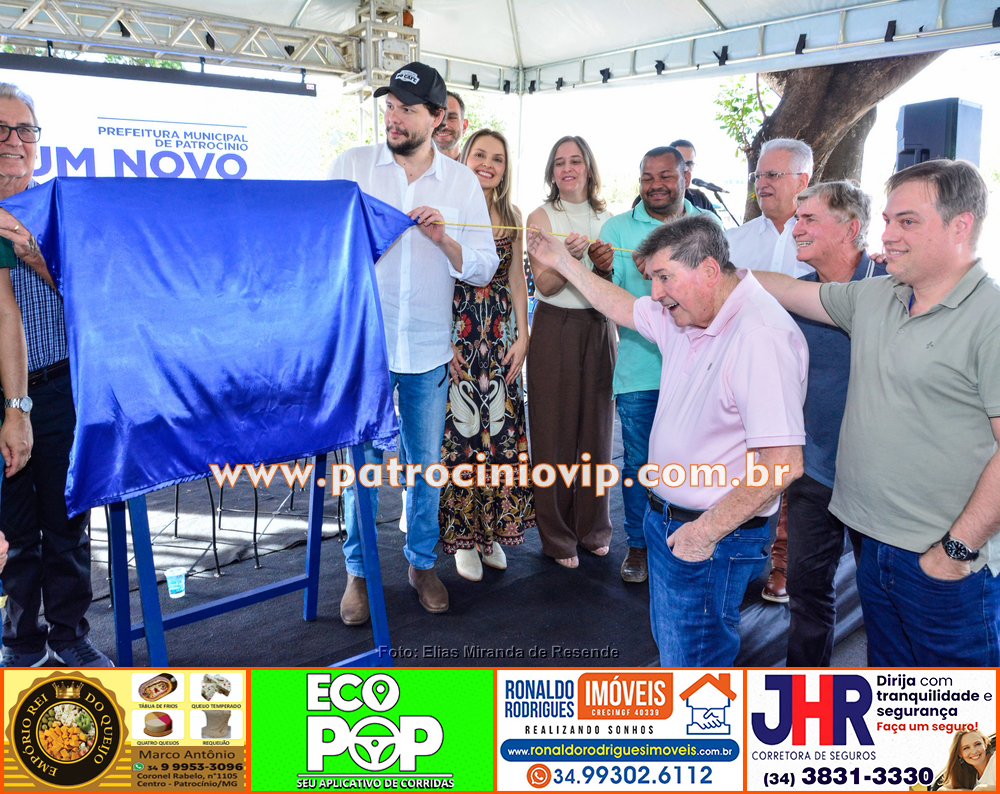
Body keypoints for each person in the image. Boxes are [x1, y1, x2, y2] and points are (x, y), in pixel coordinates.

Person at [527, 215, 806, 666]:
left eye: (663, 277)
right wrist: (562, 261)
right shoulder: (689, 312)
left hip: (711, 536)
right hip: (671, 522)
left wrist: (702, 535)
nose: (655, 293)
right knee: (677, 653)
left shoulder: (761, 336)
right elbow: (622, 306)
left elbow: (783, 464)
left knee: (694, 667)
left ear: (709, 271)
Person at [755, 159, 1000, 666]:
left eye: (907, 221)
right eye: (888, 220)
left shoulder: (991, 317)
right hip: (874, 543)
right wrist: (711, 268)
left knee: (959, 712)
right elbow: (788, 289)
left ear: (961, 226)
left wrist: (956, 551)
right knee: (893, 694)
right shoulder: (877, 296)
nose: (887, 235)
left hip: (944, 564)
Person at [328, 63, 498, 622]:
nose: (393, 118)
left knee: (425, 469)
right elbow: (323, 246)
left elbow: (483, 267)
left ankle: (421, 564)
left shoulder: (461, 182)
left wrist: (444, 239)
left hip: (427, 350)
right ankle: (358, 573)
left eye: (406, 109)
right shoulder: (351, 167)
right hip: (365, 350)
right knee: (361, 472)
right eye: (389, 107)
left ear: (438, 118)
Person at [0, 82, 111, 667]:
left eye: (25, 130)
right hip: (4, 402)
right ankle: (19, 644)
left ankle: (68, 636)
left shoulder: (62, 211)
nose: (13, 141)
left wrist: (36, 256)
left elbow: (96, 303)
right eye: (1, 129)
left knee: (68, 524)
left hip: (62, 389)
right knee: (13, 533)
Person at [591, 146, 720, 583]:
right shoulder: (616, 229)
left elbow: (718, 295)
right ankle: (640, 547)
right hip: (640, 372)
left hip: (698, 371)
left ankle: (691, 541)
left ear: (686, 178)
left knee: (696, 462)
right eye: (647, 177)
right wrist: (601, 270)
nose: (655, 185)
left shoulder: (708, 226)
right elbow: (608, 300)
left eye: (665, 176)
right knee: (639, 466)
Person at [782, 181, 885, 667]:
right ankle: (804, 698)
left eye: (809, 219)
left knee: (884, 603)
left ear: (850, 228)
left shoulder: (896, 289)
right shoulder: (795, 294)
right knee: (806, 596)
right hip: (814, 472)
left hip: (881, 481)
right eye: (796, 219)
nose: (795, 228)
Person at [439, 128, 535, 580]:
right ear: (464, 158)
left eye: (498, 158)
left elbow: (517, 280)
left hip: (500, 339)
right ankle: (463, 537)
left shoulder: (512, 215)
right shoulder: (450, 207)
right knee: (461, 437)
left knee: (498, 436)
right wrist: (443, 340)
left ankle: (490, 530)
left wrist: (524, 337)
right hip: (458, 332)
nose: (488, 164)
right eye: (480, 154)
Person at [727, 137, 814, 604]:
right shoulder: (735, 241)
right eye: (758, 175)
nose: (761, 183)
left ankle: (783, 565)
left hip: (810, 376)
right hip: (747, 377)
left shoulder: (823, 237)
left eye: (773, 175)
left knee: (796, 471)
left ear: (803, 180)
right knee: (744, 469)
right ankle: (741, 559)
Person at [525, 136, 615, 569]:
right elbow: (544, 285)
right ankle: (557, 536)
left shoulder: (608, 219)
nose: (567, 168)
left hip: (598, 327)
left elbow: (612, 286)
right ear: (551, 171)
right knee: (553, 434)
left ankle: (593, 529)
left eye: (575, 160)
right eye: (559, 162)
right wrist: (566, 260)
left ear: (588, 167)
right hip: (555, 327)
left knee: (597, 433)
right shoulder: (541, 217)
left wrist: (604, 266)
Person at [668, 139, 720, 217]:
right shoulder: (656, 196)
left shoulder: (700, 198)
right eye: (681, 163)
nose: (686, 168)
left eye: (689, 164)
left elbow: (718, 224)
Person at [433, 91, 468, 161]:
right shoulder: (411, 166)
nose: (444, 125)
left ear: (464, 126)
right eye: (437, 117)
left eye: (452, 118)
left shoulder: (473, 167)